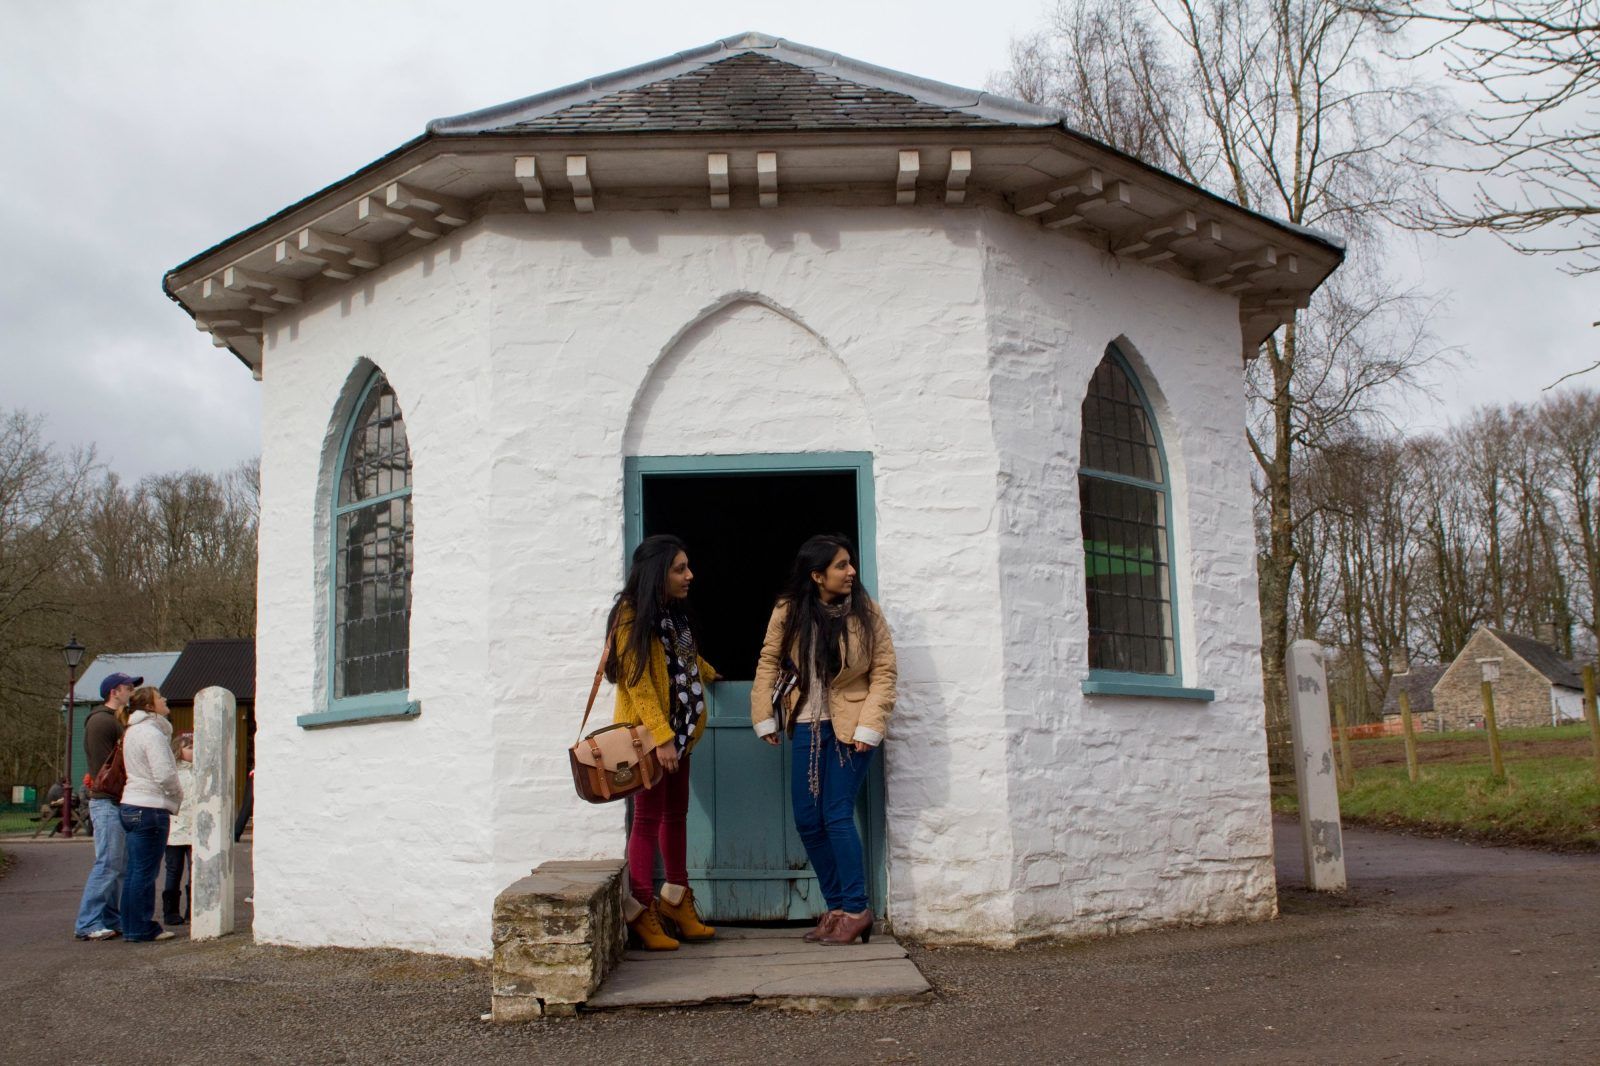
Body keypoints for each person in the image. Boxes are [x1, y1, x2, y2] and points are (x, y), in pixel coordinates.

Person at [751, 534, 896, 946]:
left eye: (850, 563)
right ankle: (836, 909)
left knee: (835, 814)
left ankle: (856, 909)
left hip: (851, 727)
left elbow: (884, 671)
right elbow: (768, 659)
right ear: (817, 576)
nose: (851, 571)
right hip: (807, 724)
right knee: (808, 821)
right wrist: (765, 715)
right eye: (841, 565)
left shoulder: (866, 612)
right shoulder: (789, 610)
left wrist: (871, 726)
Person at [606, 534, 719, 950]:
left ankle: (677, 897)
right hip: (649, 739)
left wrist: (707, 671)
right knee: (648, 818)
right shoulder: (632, 616)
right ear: (657, 572)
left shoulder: (673, 615)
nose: (690, 575)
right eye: (680, 569)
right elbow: (637, 682)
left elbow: (680, 660)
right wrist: (661, 738)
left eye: (687, 567)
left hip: (681, 734)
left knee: (676, 816)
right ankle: (641, 907)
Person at [73, 671, 141, 941]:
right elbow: (105, 768)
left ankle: (111, 918)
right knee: (108, 864)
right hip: (107, 802)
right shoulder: (102, 722)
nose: (131, 692)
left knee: (118, 865)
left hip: (113, 801)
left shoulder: (111, 721)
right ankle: (88, 922)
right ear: (115, 691)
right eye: (127, 688)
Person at [118, 686, 184, 942]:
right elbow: (165, 773)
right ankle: (140, 927)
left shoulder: (132, 731)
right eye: (159, 697)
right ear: (149, 707)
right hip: (150, 807)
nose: (165, 699)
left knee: (135, 870)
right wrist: (177, 795)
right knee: (145, 872)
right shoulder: (152, 733)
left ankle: (131, 924)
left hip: (131, 804)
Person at [162, 733, 196, 926]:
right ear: (179, 750)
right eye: (189, 747)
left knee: (195, 871)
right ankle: (170, 911)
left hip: (195, 829)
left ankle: (193, 908)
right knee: (173, 870)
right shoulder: (173, 772)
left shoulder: (200, 771)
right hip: (175, 829)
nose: (193, 751)